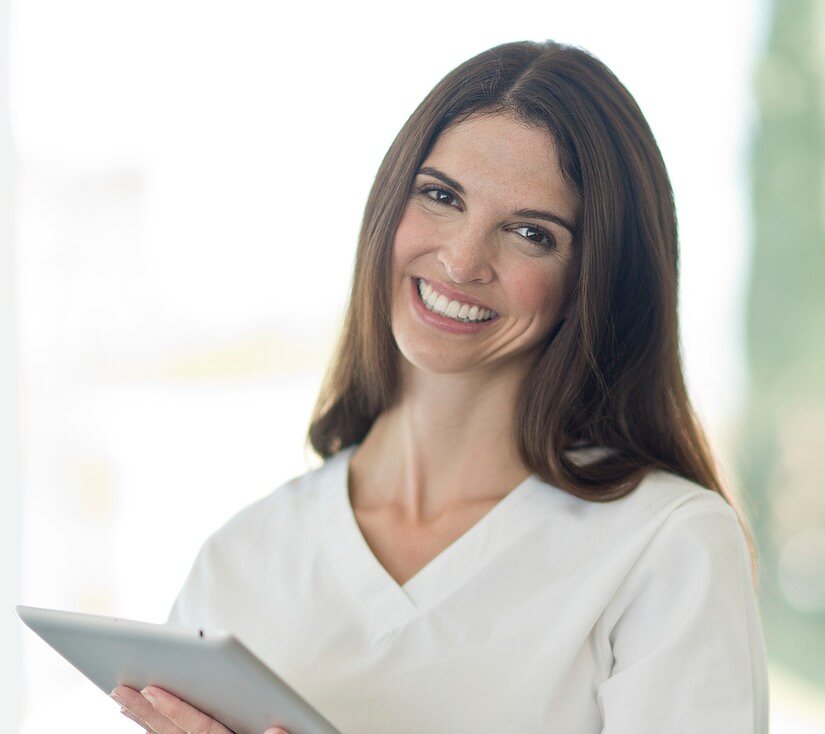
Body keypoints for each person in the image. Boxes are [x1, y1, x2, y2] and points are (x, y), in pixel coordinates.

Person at [110, 39, 769, 733]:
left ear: (594, 281)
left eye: (530, 233)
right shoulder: (244, 557)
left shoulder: (664, 547)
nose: (460, 260)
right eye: (440, 196)